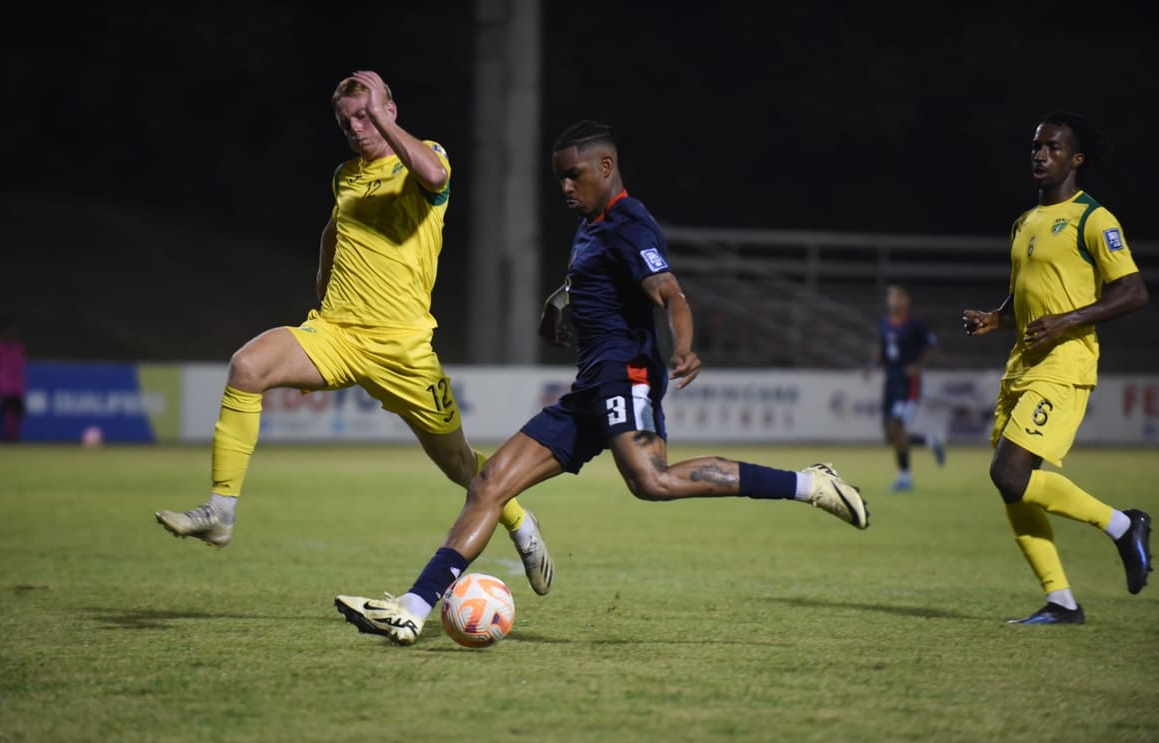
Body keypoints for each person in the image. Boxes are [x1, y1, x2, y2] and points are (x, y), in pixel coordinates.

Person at [334, 120, 870, 645]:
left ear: (605, 167)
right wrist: (556, 308)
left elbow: (669, 292)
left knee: (651, 480)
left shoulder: (628, 221)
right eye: (559, 178)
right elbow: (589, 284)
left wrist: (683, 345)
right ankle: (411, 609)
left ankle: (811, 484)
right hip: (591, 384)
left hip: (626, 370)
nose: (565, 187)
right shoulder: (591, 227)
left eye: (574, 175)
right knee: (490, 482)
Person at [155, 70, 553, 597]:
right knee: (247, 365)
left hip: (403, 350)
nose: (357, 127)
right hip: (337, 335)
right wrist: (321, 294)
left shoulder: (424, 156)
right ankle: (220, 511)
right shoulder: (346, 176)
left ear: (391, 109)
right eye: (347, 122)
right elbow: (333, 229)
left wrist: (383, 121)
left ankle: (521, 523)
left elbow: (434, 177)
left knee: (459, 464)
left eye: (366, 114)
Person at [962, 108, 1151, 625]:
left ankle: (1122, 525)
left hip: (1064, 364)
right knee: (1010, 484)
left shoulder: (1095, 219)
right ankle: (1061, 602)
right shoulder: (1025, 221)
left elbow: (1133, 292)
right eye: (1036, 147)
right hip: (1022, 362)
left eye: (1052, 147)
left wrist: (1068, 321)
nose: (1041, 155)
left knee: (1010, 472)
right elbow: (1029, 295)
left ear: (1076, 159)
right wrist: (996, 319)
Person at [866, 284, 946, 492]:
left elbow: (934, 347)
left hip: (908, 383)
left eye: (898, 297)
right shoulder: (884, 323)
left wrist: (917, 366)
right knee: (889, 435)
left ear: (906, 301)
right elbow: (881, 347)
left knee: (896, 426)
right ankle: (931, 440)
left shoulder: (915, 325)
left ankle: (905, 478)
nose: (894, 301)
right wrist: (873, 364)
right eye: (891, 297)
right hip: (890, 382)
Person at [0, 321, 27, 442]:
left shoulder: (18, 346)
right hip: (5, 385)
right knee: (6, 412)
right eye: (9, 332)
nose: (12, 334)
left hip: (18, 386)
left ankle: (14, 436)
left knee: (18, 412)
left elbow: (23, 362)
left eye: (14, 332)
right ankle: (7, 436)